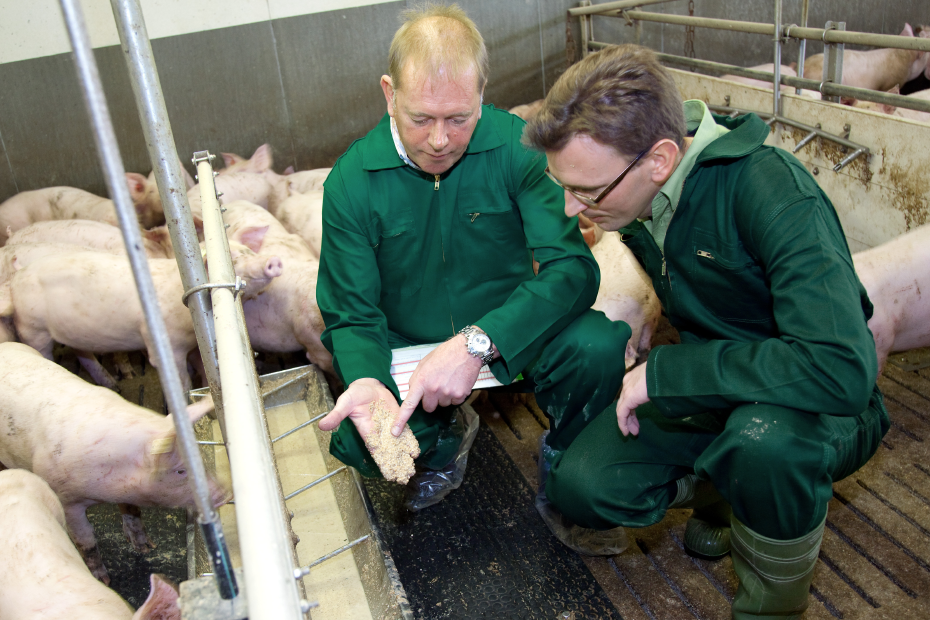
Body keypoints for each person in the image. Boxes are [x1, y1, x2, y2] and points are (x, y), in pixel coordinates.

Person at [523, 44, 889, 619]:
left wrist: (667, 373)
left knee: (763, 441)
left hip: (817, 406)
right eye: (563, 187)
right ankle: (727, 494)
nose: (573, 209)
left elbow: (840, 368)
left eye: (588, 191)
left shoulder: (772, 191)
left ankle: (771, 608)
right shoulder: (646, 198)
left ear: (661, 159)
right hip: (723, 392)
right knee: (585, 484)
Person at [315, 2, 630, 540]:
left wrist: (478, 342)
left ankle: (572, 473)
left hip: (507, 332)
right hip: (409, 344)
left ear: (483, 91)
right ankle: (443, 434)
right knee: (359, 439)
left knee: (596, 345)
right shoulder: (352, 182)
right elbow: (351, 310)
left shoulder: (519, 149)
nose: (440, 139)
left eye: (459, 118)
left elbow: (572, 269)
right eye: (421, 119)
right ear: (389, 93)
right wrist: (368, 377)